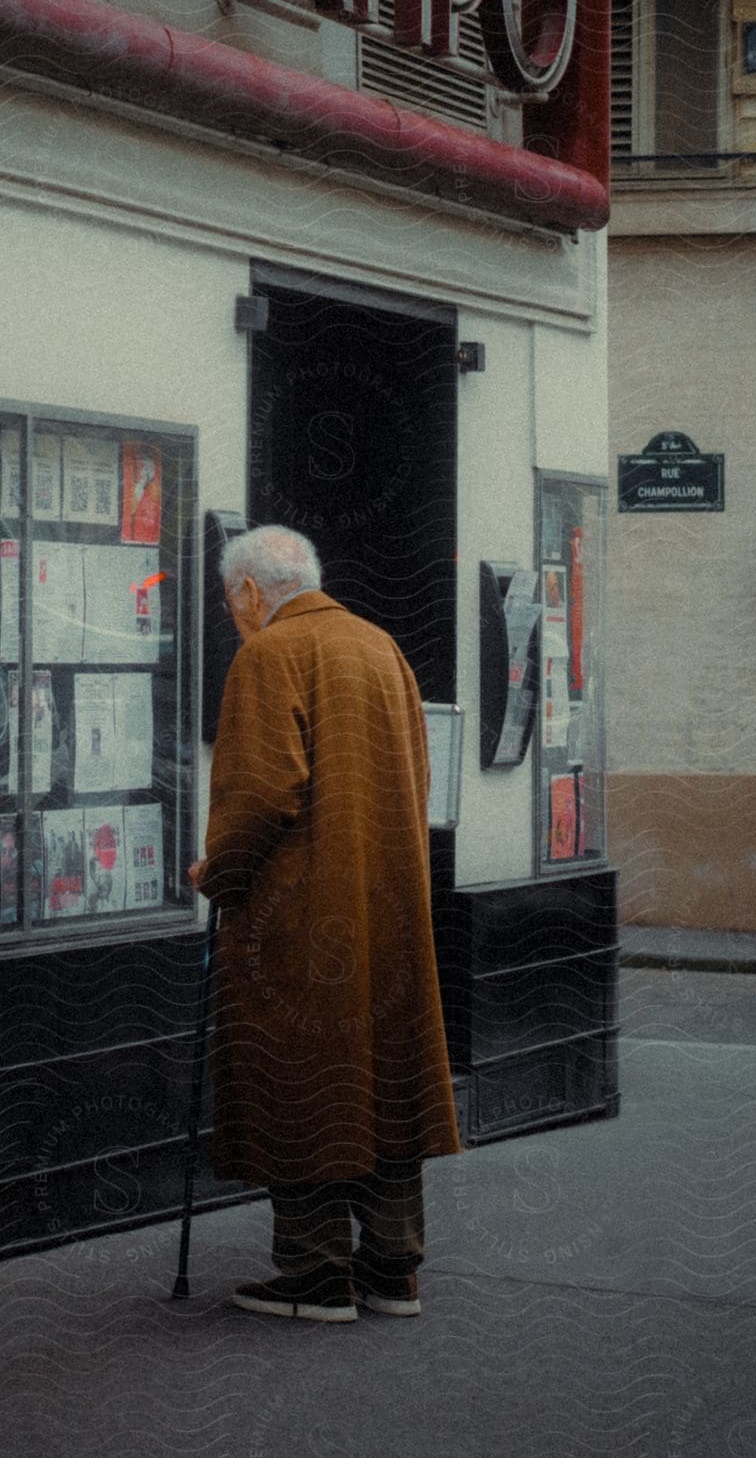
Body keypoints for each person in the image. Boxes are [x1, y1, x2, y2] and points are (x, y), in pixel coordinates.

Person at [188, 525, 460, 1324]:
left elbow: (260, 794)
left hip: (300, 915)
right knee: (383, 1080)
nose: (234, 614)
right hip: (385, 907)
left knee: (300, 1077)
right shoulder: (382, 648)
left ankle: (313, 1272)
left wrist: (220, 875)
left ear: (246, 593)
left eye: (230, 600)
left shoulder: (268, 656)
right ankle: (391, 1268)